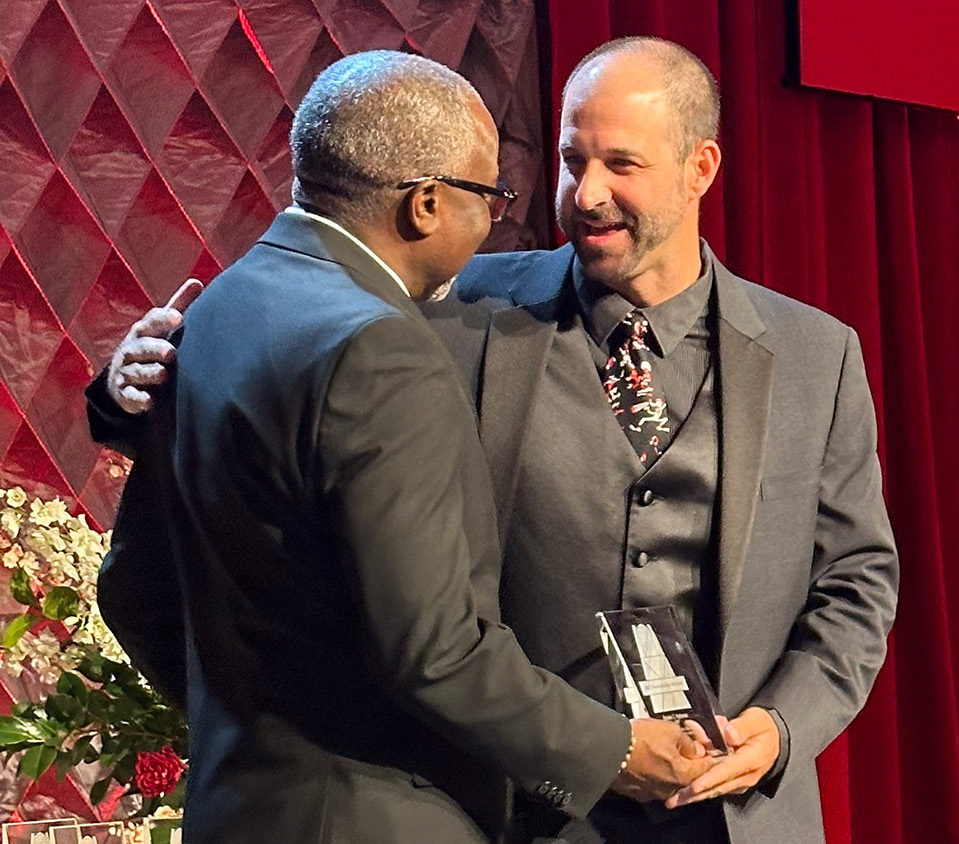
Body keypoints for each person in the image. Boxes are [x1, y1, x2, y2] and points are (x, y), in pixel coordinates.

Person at [92, 38, 898, 844]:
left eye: (623, 164)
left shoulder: (814, 357)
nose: (587, 194)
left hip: (728, 811)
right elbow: (283, 361)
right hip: (513, 810)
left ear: (701, 168)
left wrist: (784, 725)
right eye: (571, 159)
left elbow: (858, 581)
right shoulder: (450, 306)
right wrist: (132, 390)